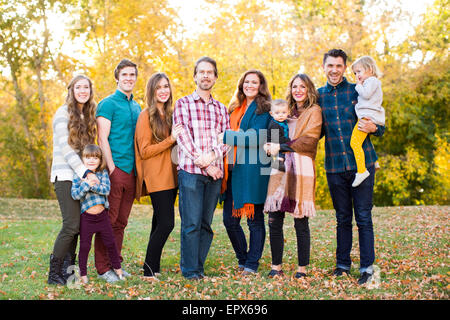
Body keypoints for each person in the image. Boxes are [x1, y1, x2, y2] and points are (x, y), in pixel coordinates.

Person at [318, 49, 385, 285]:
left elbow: (378, 118)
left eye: (339, 66)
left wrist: (375, 129)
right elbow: (312, 130)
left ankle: (367, 268)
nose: (334, 70)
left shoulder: (359, 89)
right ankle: (342, 264)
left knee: (364, 218)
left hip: (362, 165)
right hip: (335, 166)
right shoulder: (318, 97)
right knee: (342, 217)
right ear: (324, 67)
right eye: (330, 66)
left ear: (344, 67)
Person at [172, 56, 230, 280]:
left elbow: (226, 139)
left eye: (210, 72)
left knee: (206, 224)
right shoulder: (183, 103)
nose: (206, 75)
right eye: (201, 72)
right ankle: (190, 271)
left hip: (214, 175)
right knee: (191, 223)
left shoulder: (222, 109)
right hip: (191, 173)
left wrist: (213, 156)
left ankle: (198, 265)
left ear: (215, 77)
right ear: (195, 76)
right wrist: (205, 163)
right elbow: (183, 137)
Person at [264, 74, 322, 279]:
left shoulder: (314, 112)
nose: (298, 90)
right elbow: (270, 139)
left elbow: (309, 142)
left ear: (309, 90)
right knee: (274, 218)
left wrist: (279, 146)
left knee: (300, 221)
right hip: (279, 169)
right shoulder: (283, 113)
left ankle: (301, 270)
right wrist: (269, 146)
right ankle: (276, 267)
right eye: (294, 86)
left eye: (302, 86)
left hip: (302, 169)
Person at [219, 69, 272, 276]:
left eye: (254, 82)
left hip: (253, 170)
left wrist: (225, 136)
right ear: (241, 84)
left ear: (261, 86)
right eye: (246, 82)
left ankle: (251, 264)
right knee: (229, 221)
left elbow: (256, 138)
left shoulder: (264, 109)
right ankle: (243, 258)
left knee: (254, 220)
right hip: (232, 170)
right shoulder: (234, 109)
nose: (250, 85)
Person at [48, 75, 98, 285]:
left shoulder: (86, 116)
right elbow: (65, 147)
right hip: (66, 176)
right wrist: (84, 172)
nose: (83, 91)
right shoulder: (63, 113)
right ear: (72, 90)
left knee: (78, 227)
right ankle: (54, 273)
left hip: (80, 178)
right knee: (71, 225)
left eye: (86, 87)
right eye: (79, 87)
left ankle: (67, 272)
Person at [96, 59, 141, 282]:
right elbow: (102, 138)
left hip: (133, 172)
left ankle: (116, 263)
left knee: (121, 222)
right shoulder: (107, 104)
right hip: (115, 170)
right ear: (117, 77)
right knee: (109, 220)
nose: (128, 78)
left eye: (132, 74)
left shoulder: (136, 106)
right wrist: (112, 169)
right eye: (124, 74)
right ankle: (103, 268)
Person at [135, 72, 183, 280]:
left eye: (166, 86)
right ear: (152, 91)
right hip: (157, 176)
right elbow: (144, 151)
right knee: (167, 224)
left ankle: (152, 267)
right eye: (158, 88)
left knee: (158, 222)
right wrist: (170, 139)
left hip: (173, 176)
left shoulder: (172, 114)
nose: (163, 91)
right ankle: (148, 270)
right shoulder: (146, 115)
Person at [71, 144, 124, 284]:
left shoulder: (103, 173)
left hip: (102, 217)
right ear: (82, 160)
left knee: (110, 243)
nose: (92, 160)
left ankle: (118, 269)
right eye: (88, 158)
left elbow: (106, 190)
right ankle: (83, 274)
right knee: (84, 247)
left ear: (100, 160)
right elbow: (75, 195)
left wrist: (92, 185)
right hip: (87, 218)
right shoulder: (77, 176)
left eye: (95, 158)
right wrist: (86, 184)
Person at [350, 56, 385, 187]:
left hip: (367, 116)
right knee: (362, 140)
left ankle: (362, 171)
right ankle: (374, 161)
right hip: (367, 115)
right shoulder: (371, 81)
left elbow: (366, 94)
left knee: (354, 143)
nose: (357, 75)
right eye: (355, 73)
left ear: (370, 69)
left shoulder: (372, 81)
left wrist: (358, 86)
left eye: (359, 71)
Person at [267, 99, 293, 172]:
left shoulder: (284, 121)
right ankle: (279, 162)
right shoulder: (274, 125)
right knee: (280, 150)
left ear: (288, 112)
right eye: (277, 113)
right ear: (271, 114)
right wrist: (289, 141)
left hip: (281, 141)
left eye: (284, 112)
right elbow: (278, 139)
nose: (281, 115)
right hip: (274, 142)